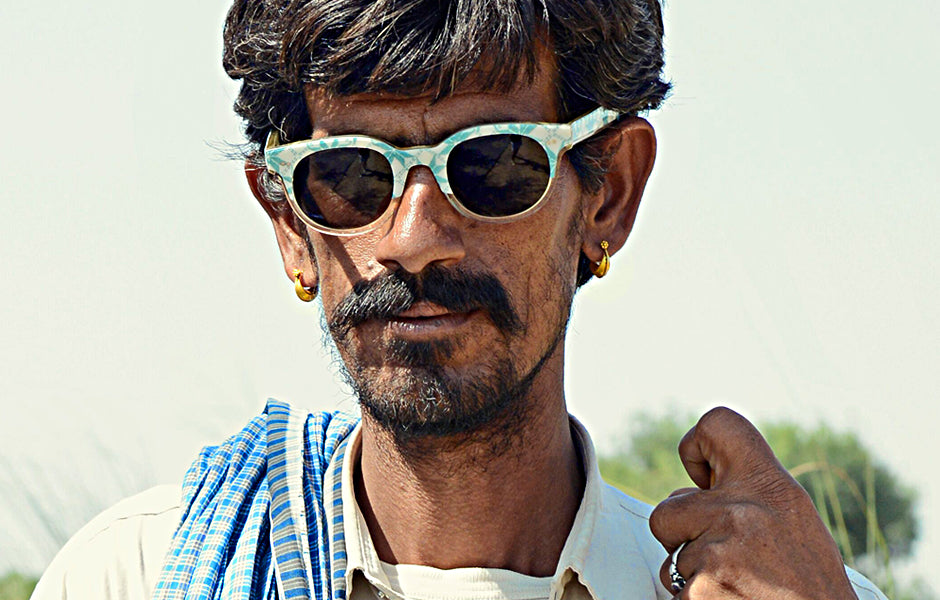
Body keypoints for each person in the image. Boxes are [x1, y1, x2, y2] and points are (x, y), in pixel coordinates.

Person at [32, 0, 890, 599]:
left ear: (608, 197)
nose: (413, 238)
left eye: (492, 166)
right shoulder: (130, 577)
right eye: (351, 175)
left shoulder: (774, 594)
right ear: (289, 224)